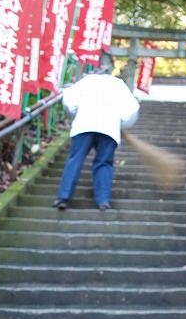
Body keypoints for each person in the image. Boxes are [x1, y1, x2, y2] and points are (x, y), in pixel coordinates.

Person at [52, 52, 140, 211]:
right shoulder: (119, 85)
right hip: (109, 128)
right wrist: (122, 124)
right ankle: (103, 200)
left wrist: (75, 113)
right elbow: (131, 110)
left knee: (75, 160)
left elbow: (69, 99)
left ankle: (63, 197)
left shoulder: (87, 81)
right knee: (104, 162)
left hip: (84, 124)